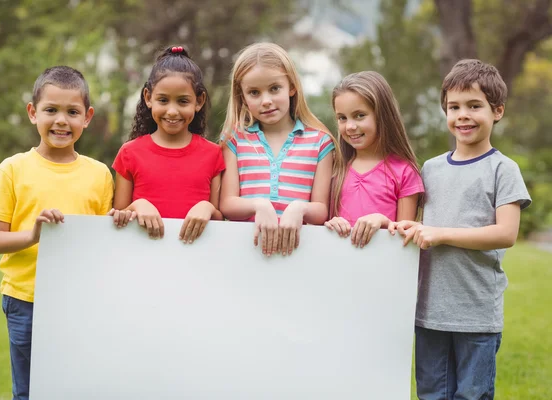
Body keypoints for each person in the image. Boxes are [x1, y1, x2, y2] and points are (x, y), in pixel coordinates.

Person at [0, 66, 114, 400]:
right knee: (29, 390)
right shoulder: (12, 169)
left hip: (79, 300)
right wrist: (34, 234)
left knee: (75, 388)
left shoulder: (99, 174)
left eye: (72, 112)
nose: (61, 121)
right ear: (32, 112)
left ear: (88, 117)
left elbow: (102, 244)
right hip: (26, 299)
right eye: (51, 110)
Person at [396, 59, 531, 400]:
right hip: (429, 313)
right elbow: (424, 225)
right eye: (454, 107)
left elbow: (506, 234)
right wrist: (417, 227)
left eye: (474, 106)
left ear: (497, 111)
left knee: (472, 396)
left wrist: (440, 234)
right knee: (431, 394)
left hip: (476, 315)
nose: (463, 116)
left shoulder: (503, 169)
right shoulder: (431, 168)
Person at [219, 42, 337, 256]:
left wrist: (299, 208)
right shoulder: (235, 140)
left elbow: (321, 210)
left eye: (274, 89)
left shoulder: (320, 142)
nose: (266, 101)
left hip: (298, 253)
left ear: (292, 86)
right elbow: (227, 203)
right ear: (242, 97)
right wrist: (259, 205)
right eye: (254, 92)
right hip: (244, 252)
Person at [111, 46, 224, 243]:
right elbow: (118, 219)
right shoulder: (129, 153)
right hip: (143, 260)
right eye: (163, 100)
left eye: (182, 101)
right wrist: (138, 205)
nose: (172, 111)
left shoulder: (214, 154)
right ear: (148, 98)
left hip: (197, 260)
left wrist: (207, 208)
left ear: (199, 101)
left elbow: (220, 222)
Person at [324, 71, 424, 248]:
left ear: (382, 115)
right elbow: (318, 223)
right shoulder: (333, 167)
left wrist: (383, 222)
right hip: (337, 268)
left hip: (382, 271)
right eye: (342, 118)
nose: (350, 126)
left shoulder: (404, 171)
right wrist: (331, 224)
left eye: (360, 115)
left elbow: (405, 240)